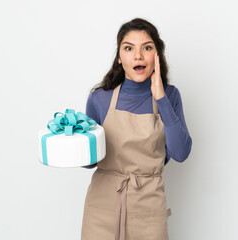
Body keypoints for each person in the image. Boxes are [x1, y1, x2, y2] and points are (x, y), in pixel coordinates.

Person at [81, 18, 192, 240]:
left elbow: (181, 153)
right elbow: (89, 161)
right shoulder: (99, 99)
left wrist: (160, 97)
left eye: (147, 48)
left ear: (156, 56)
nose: (138, 55)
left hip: (149, 208)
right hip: (102, 208)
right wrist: (73, 142)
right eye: (129, 48)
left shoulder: (170, 96)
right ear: (119, 58)